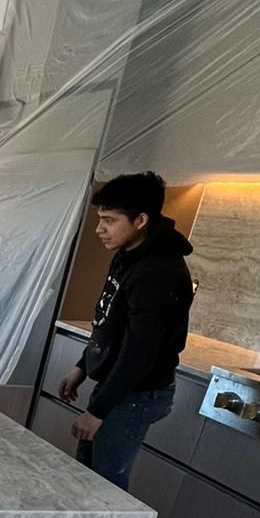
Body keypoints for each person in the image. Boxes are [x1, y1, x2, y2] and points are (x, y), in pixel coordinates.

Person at [59, 170, 193, 490]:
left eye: (109, 220)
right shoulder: (128, 254)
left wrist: (97, 410)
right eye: (100, 218)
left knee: (105, 484)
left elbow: (139, 353)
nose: (99, 229)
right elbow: (110, 323)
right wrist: (82, 366)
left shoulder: (158, 272)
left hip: (137, 394)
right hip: (118, 386)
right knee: (86, 474)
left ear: (141, 220)